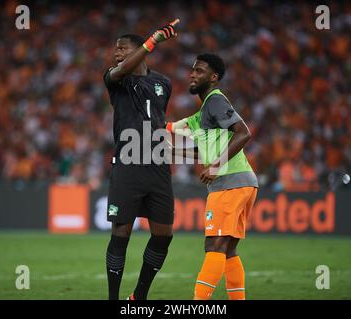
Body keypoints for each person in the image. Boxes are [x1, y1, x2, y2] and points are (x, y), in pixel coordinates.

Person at [167, 53, 258, 300]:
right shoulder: (205, 109)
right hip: (241, 182)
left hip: (230, 183)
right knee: (227, 250)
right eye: (192, 70)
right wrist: (172, 150)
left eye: (199, 70)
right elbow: (204, 151)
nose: (192, 74)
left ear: (213, 77)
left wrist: (216, 167)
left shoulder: (215, 101)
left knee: (214, 245)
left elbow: (243, 133)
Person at [103, 19, 180, 300]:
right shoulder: (114, 77)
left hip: (158, 166)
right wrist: (153, 41)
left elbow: (157, 119)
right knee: (121, 233)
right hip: (127, 163)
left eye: (122, 48)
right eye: (115, 49)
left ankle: (139, 296)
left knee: (163, 234)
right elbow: (121, 70)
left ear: (137, 50)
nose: (116, 54)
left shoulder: (163, 83)